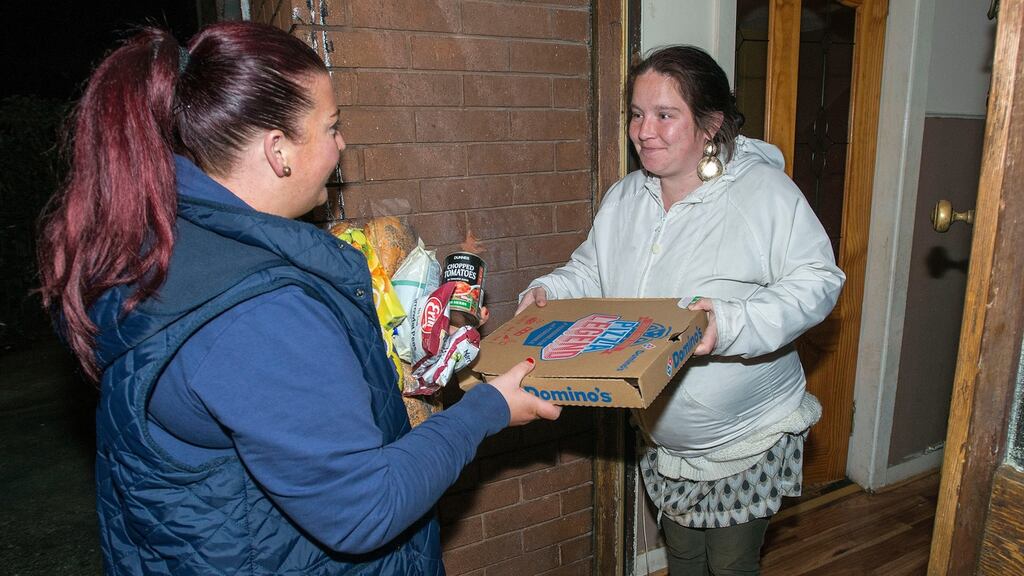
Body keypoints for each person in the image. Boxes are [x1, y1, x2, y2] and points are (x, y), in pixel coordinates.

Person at [36, 21, 560, 576]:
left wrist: (420, 341)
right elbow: (365, 509)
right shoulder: (259, 312)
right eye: (331, 127)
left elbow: (276, 409)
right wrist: (490, 408)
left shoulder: (162, 242)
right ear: (278, 150)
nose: (341, 144)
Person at [517, 46, 845, 575]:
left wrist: (731, 322)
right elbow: (592, 272)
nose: (644, 131)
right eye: (637, 114)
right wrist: (551, 291)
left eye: (665, 116)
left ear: (710, 124)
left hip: (746, 436)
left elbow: (819, 282)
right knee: (686, 558)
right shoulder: (626, 198)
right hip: (664, 435)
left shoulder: (763, 194)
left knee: (732, 565)